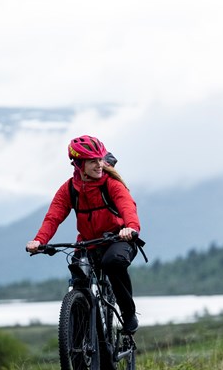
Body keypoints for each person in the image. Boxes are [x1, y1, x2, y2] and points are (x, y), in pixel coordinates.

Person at [26, 135, 141, 334]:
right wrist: (39, 241)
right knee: (79, 277)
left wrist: (130, 227)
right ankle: (80, 344)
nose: (99, 165)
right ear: (79, 164)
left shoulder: (111, 184)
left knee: (112, 263)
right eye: (93, 161)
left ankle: (128, 313)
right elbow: (53, 218)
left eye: (100, 159)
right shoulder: (69, 189)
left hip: (118, 238)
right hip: (89, 243)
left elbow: (127, 206)